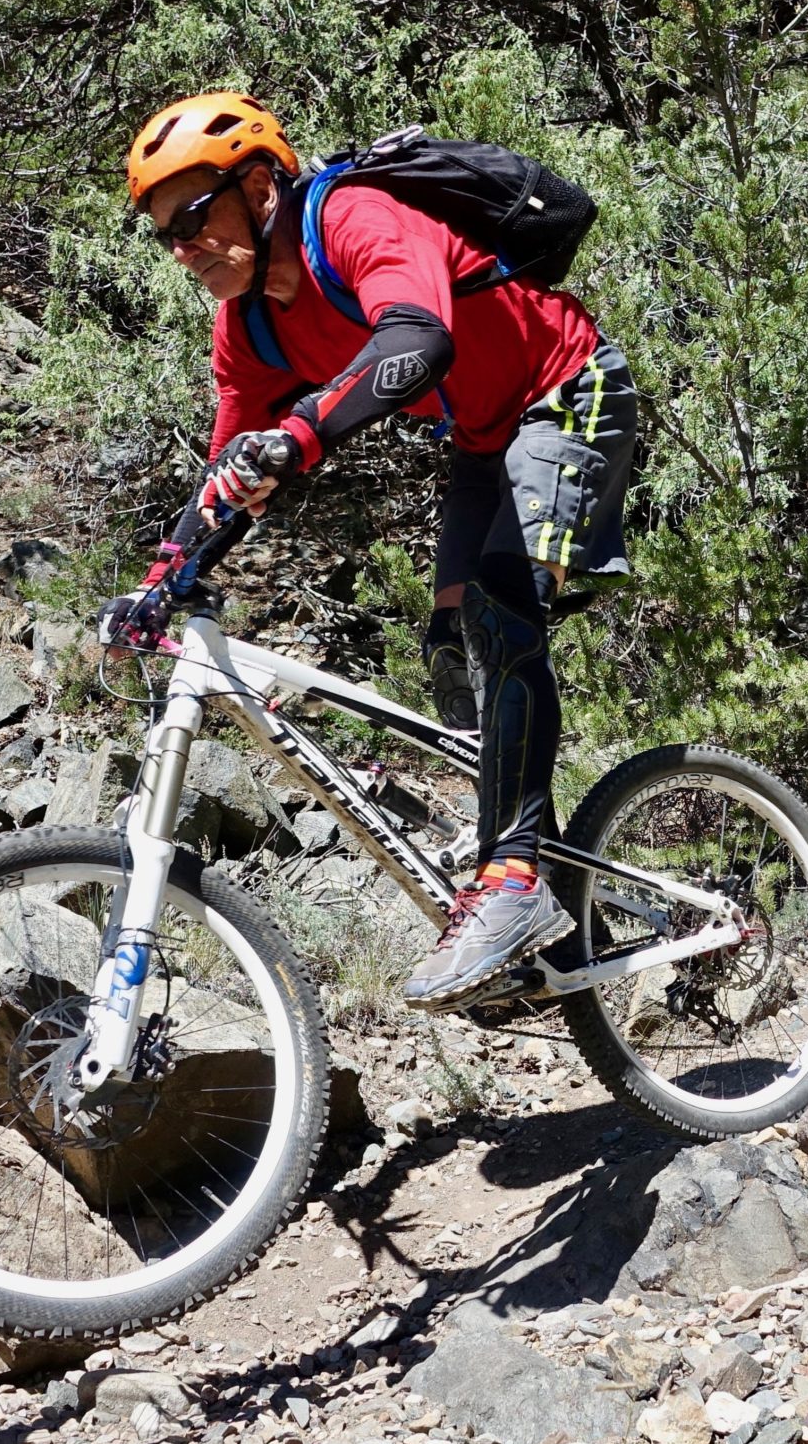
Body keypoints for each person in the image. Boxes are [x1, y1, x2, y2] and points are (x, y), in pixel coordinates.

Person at [126, 91, 640, 1010]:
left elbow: (419, 340)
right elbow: (227, 475)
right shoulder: (248, 326)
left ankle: (511, 882)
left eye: (196, 218)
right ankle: (566, 914)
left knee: (497, 603)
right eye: (167, 234)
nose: (185, 248)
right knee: (453, 659)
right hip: (485, 443)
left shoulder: (350, 216)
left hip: (569, 390)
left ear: (259, 184)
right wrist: (165, 579)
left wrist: (302, 434)